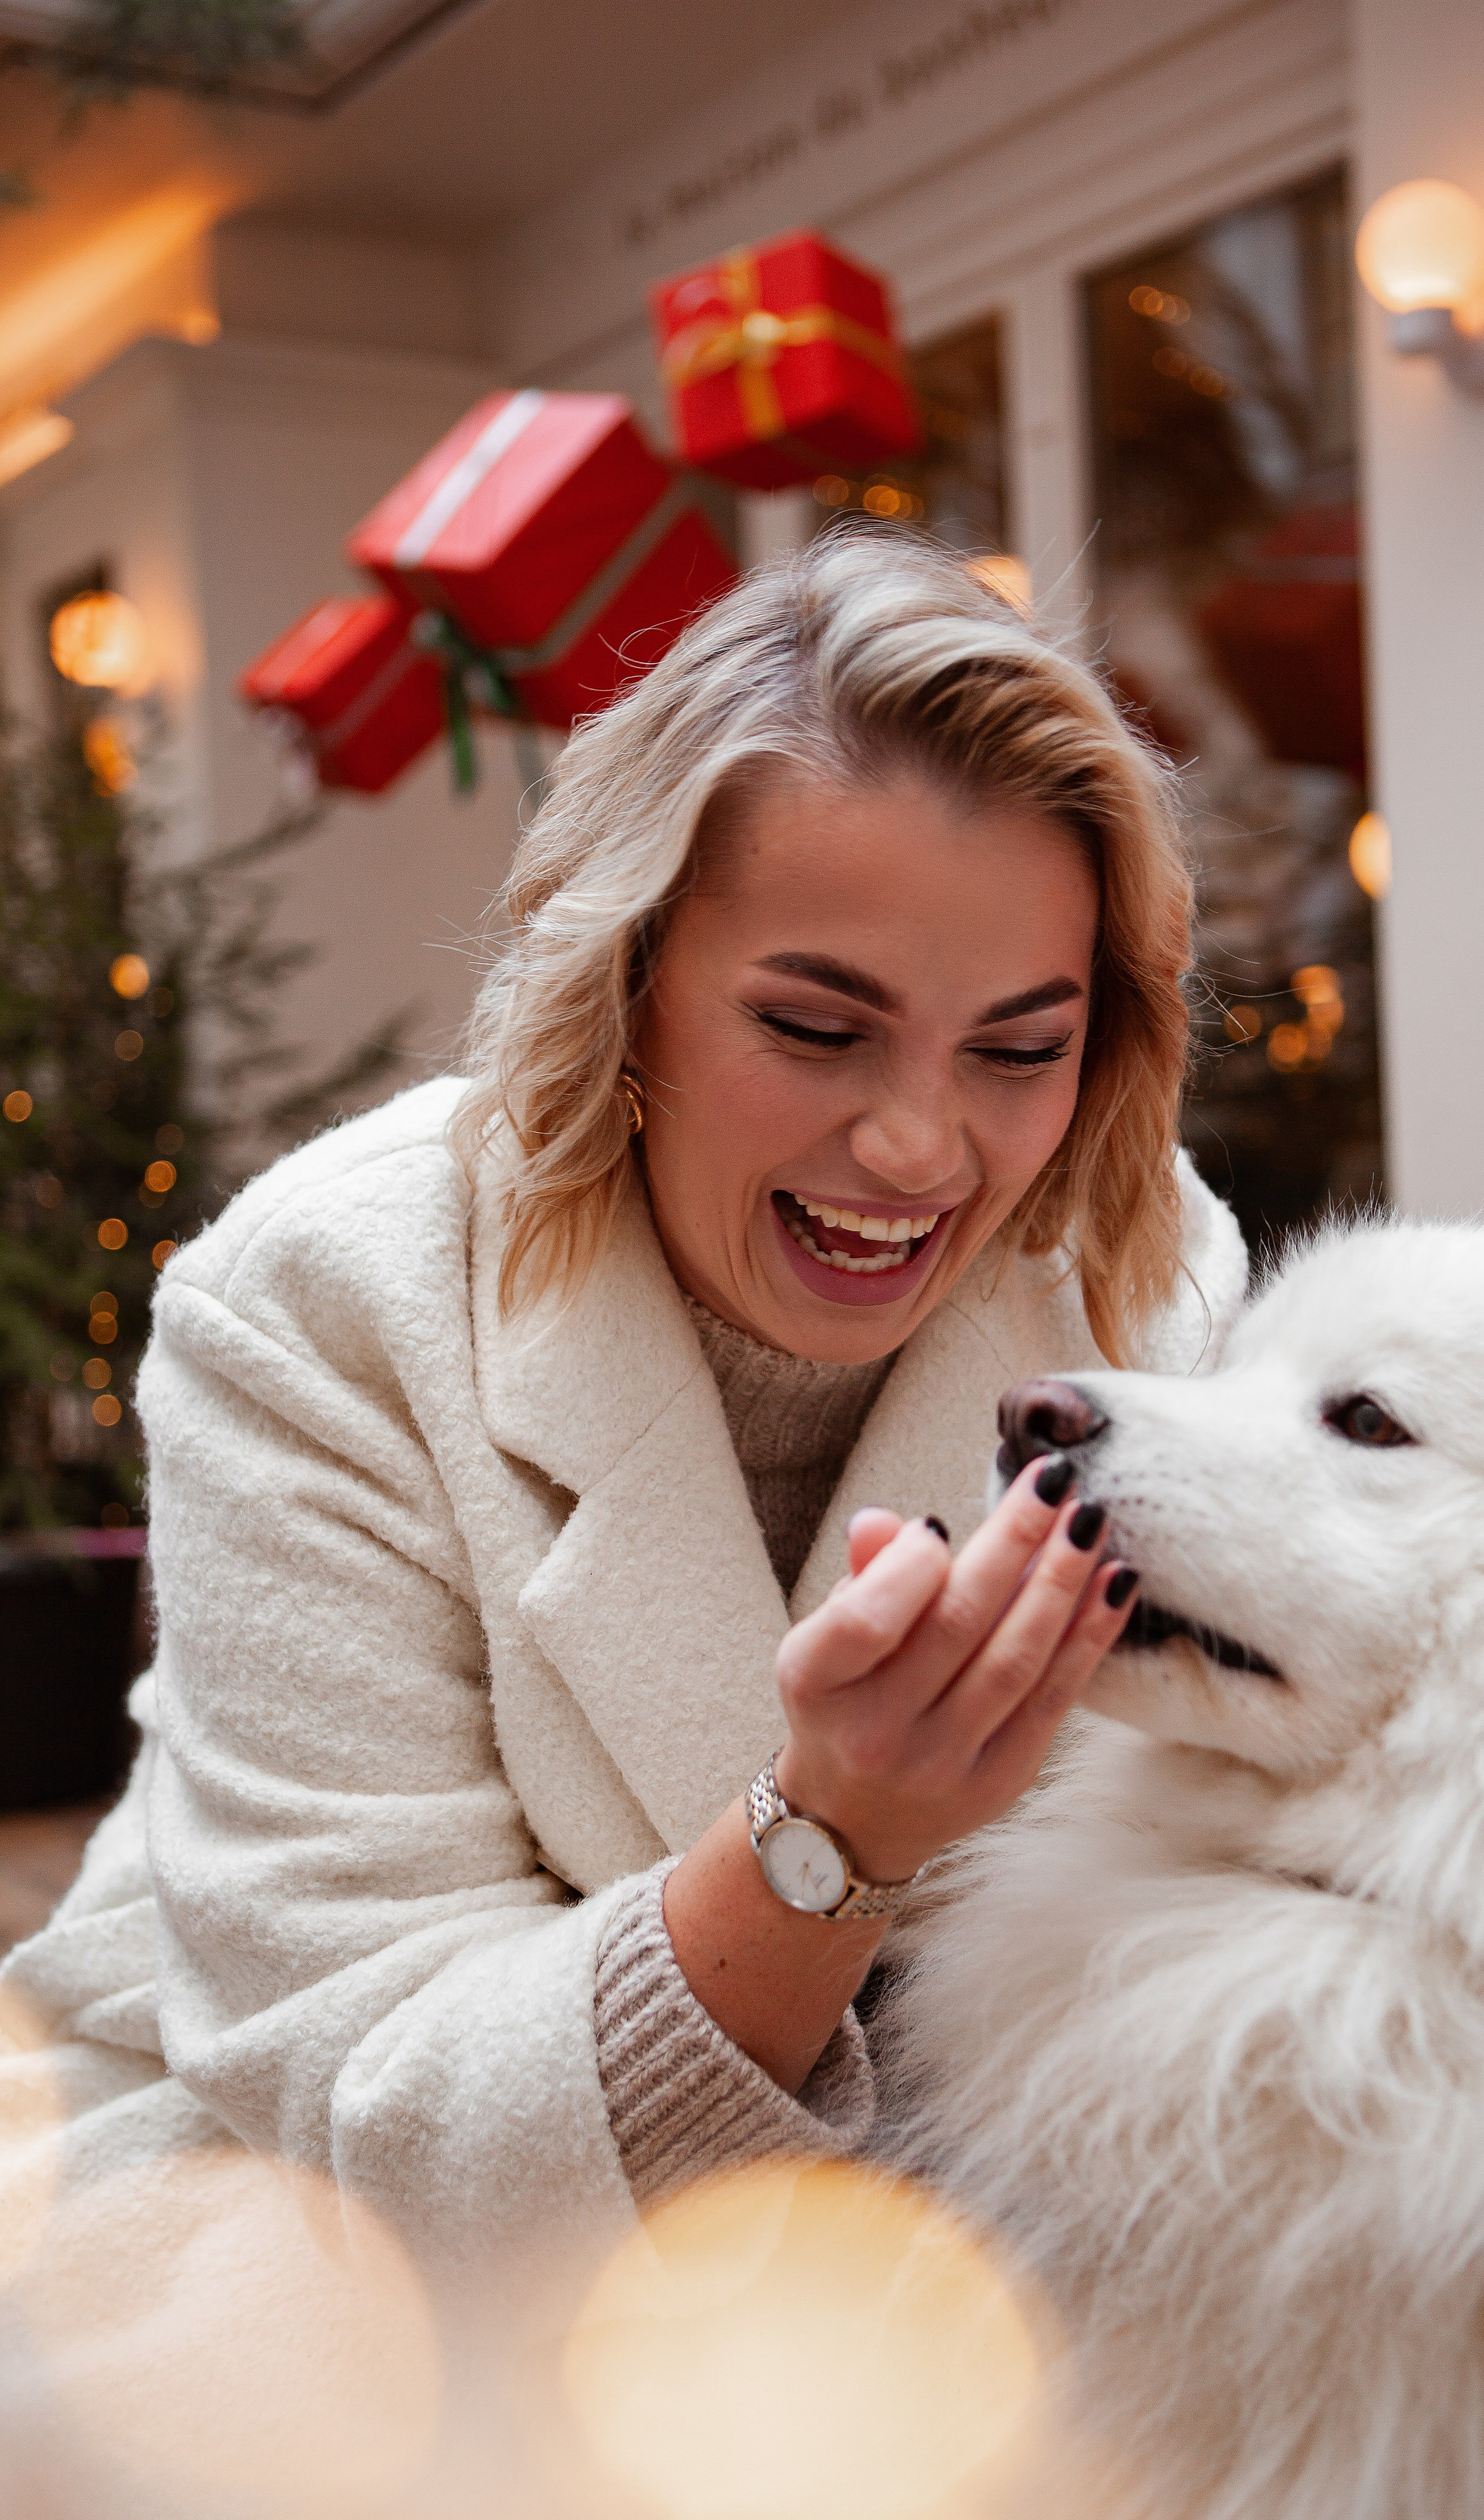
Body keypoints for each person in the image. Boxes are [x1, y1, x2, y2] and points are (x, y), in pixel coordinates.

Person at [0, 530, 1244, 2288]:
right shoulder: (323, 1303)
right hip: (309, 2226)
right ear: (627, 982)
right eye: (815, 1029)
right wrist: (831, 1842)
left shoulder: (1143, 1282)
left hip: (933, 2231)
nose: (919, 1148)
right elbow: (374, 2098)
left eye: (1019, 1050)